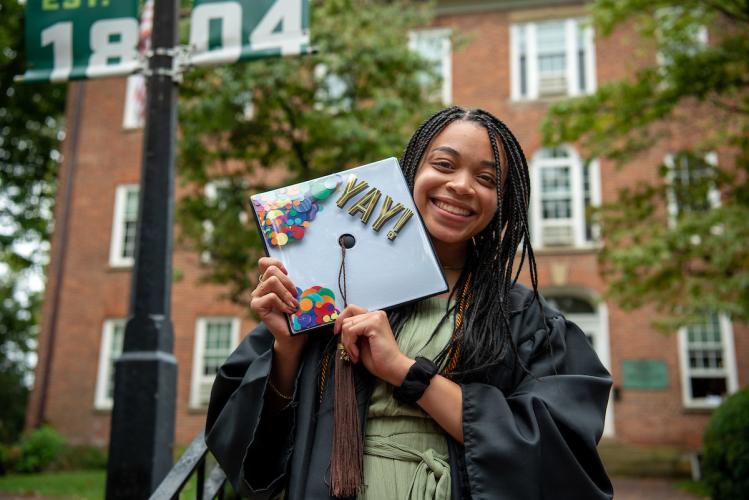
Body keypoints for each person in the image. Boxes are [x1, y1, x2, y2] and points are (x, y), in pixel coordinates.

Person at [205, 107, 614, 499]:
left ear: (502, 202)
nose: (462, 185)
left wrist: (406, 373)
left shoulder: (523, 320)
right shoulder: (331, 287)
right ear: (411, 172)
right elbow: (248, 450)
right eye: (444, 165)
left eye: (487, 179)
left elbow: (556, 450)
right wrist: (288, 346)